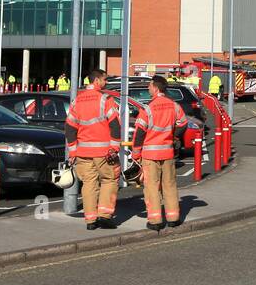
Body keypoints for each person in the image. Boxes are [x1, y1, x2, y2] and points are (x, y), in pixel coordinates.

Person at [64, 68, 122, 231]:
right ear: (96, 80)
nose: (107, 82)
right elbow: (115, 125)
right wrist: (114, 147)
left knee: (88, 184)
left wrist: (73, 151)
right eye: (105, 79)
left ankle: (90, 220)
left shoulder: (78, 100)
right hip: (104, 152)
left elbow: (69, 128)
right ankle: (104, 216)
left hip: (83, 153)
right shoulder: (105, 99)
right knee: (109, 180)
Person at [132, 74, 186, 231]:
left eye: (149, 86)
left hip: (150, 155)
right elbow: (183, 124)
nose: (148, 88)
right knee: (169, 185)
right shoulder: (173, 106)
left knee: (152, 187)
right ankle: (173, 218)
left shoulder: (148, 108)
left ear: (155, 88)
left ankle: (156, 221)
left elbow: (139, 133)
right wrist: (173, 136)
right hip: (168, 153)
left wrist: (135, 154)